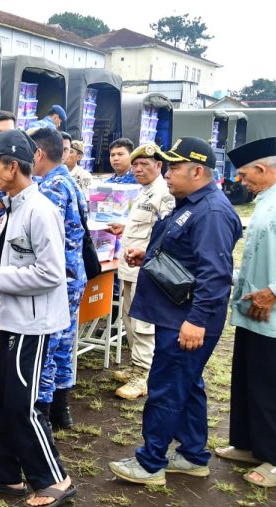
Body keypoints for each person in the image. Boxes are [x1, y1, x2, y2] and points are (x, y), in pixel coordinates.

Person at [109, 137, 242, 486]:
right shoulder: (192, 203)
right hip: (176, 314)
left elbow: (215, 276)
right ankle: (193, 455)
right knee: (187, 385)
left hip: (186, 319)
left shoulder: (211, 211)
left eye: (174, 167)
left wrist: (196, 321)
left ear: (197, 171)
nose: (166, 173)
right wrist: (148, 257)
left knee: (167, 387)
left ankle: (151, 463)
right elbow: (187, 255)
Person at [0, 129, 76, 507]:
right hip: (8, 319)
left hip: (31, 325)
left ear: (13, 166)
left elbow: (52, 273)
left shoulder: (39, 209)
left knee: (22, 404)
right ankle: (6, 474)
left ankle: (54, 479)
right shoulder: (14, 204)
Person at [215, 138, 276, 488]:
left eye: (243, 175)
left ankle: (275, 458)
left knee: (271, 385)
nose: (240, 181)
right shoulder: (265, 201)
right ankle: (251, 444)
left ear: (262, 169)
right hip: (253, 310)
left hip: (272, 312)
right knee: (248, 380)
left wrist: (273, 291)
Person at [28, 127, 87, 430]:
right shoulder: (69, 181)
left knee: (47, 349)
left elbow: (44, 240)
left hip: (57, 278)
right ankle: (61, 411)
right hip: (73, 274)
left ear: (38, 154)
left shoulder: (50, 187)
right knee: (64, 344)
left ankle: (42, 414)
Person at [106, 144, 175, 400]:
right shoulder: (144, 191)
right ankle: (136, 364)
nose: (138, 169)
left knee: (143, 324)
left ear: (159, 166)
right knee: (128, 320)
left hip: (146, 269)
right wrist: (124, 226)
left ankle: (143, 375)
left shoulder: (163, 193)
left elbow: (165, 233)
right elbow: (144, 226)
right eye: (135, 165)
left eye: (145, 164)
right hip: (129, 267)